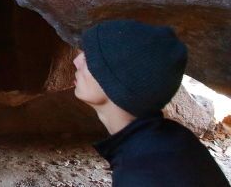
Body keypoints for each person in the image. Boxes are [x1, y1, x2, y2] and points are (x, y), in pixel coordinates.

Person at [73, 19, 229, 187]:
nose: (76, 61)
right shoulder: (170, 142)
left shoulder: (142, 173)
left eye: (91, 58)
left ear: (118, 83)